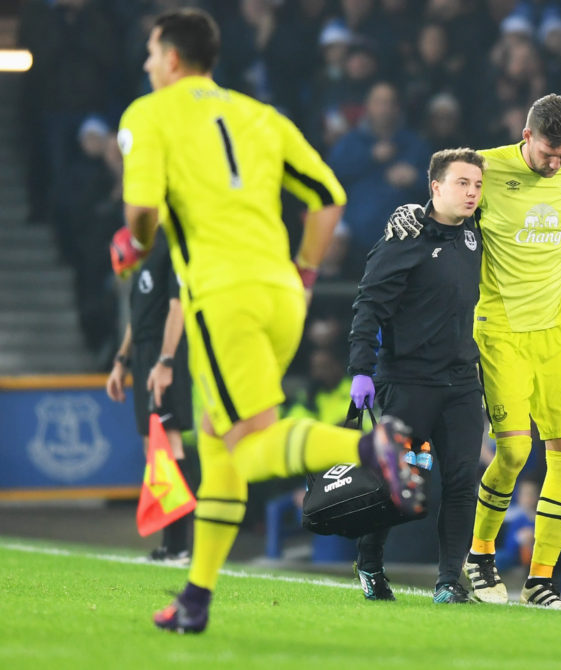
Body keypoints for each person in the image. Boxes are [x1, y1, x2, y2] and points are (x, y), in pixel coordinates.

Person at [110, 8, 423, 634]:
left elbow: (141, 211)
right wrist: (305, 273)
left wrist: (132, 244)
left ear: (171, 58)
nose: (147, 64)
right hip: (280, 290)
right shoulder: (259, 114)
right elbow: (329, 197)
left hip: (222, 298)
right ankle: (195, 600)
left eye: (151, 54)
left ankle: (372, 445)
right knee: (220, 446)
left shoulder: (149, 114)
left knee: (249, 443)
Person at [384, 93, 561, 608]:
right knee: (516, 451)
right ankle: (479, 556)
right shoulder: (487, 168)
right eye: (547, 153)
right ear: (526, 137)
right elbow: (446, 190)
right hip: (501, 330)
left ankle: (541, 580)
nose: (556, 163)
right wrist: (411, 211)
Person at [347, 147, 486, 605]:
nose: (472, 193)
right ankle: (369, 563)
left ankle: (449, 581)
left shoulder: (476, 234)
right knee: (398, 482)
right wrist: (361, 370)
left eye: (477, 185)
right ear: (435, 187)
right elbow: (368, 305)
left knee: (464, 480)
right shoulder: (402, 238)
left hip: (462, 382)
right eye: (462, 183)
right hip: (407, 381)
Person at [106, 228, 193, 564]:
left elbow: (177, 308)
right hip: (143, 356)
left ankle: (180, 546)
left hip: (162, 353)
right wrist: (121, 361)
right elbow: (136, 320)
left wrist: (166, 361)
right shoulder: (144, 260)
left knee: (169, 445)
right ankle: (168, 545)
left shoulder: (170, 249)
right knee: (151, 448)